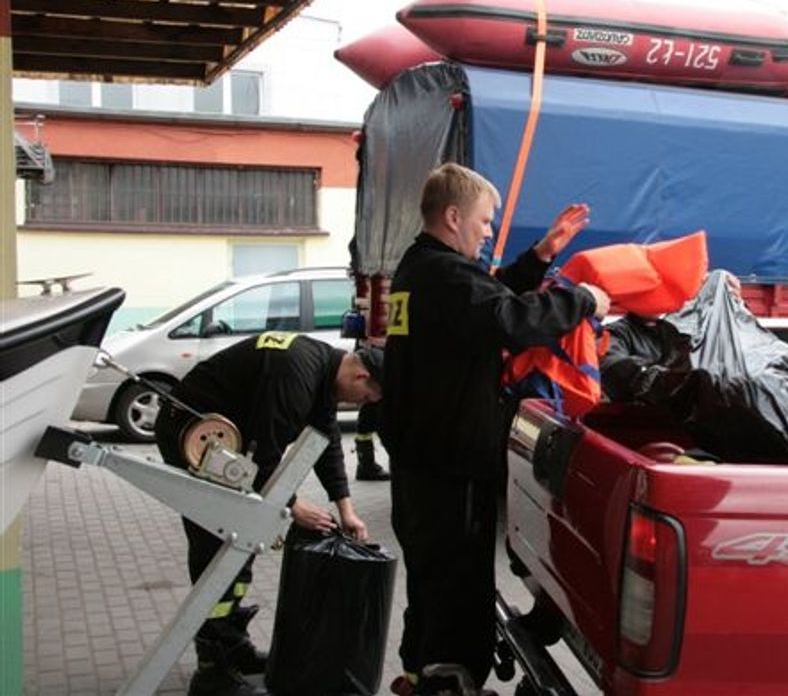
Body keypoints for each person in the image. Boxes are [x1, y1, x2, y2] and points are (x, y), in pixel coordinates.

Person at [382, 163, 611, 696]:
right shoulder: (446, 277)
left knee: (430, 577)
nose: (488, 232)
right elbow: (512, 321)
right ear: (453, 216)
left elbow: (489, 300)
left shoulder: (421, 270)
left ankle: (420, 674)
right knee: (459, 585)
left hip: (421, 464)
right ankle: (451, 683)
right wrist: (583, 300)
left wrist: (541, 255)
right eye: (484, 221)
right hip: (450, 467)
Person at [155, 333, 380, 696]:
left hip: (228, 444)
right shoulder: (295, 375)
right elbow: (265, 452)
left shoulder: (321, 368)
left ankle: (232, 647)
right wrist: (292, 506)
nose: (361, 403)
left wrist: (346, 509)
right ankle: (212, 670)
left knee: (241, 544)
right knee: (218, 546)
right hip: (196, 437)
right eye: (367, 397)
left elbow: (326, 443)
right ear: (360, 376)